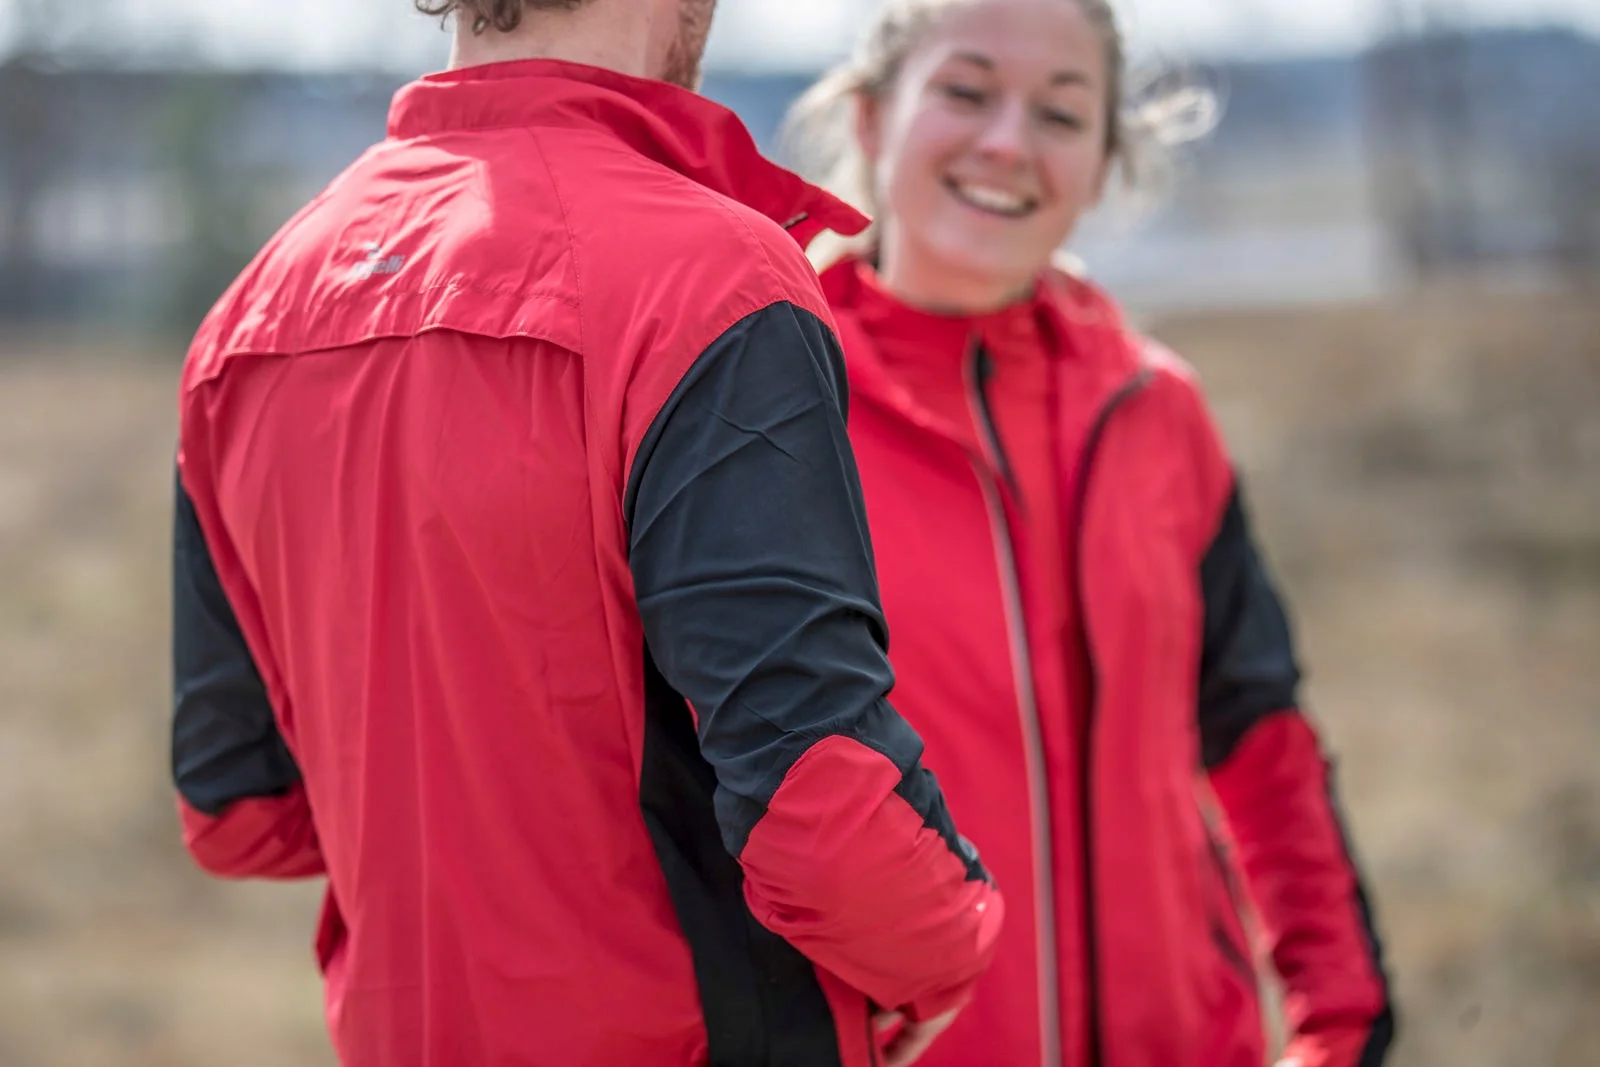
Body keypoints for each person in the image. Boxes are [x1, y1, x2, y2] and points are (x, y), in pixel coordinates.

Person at [167, 1, 1006, 1064]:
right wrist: (945, 941)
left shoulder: (248, 320)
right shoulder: (711, 282)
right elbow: (820, 805)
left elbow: (241, 806)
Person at [784, 1, 1396, 1065]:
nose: (1007, 143)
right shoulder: (776, 412)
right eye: (966, 92)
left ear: (1106, 162)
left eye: (1061, 114)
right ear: (873, 118)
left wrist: (1342, 1024)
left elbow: (1262, 743)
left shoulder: (1158, 410)